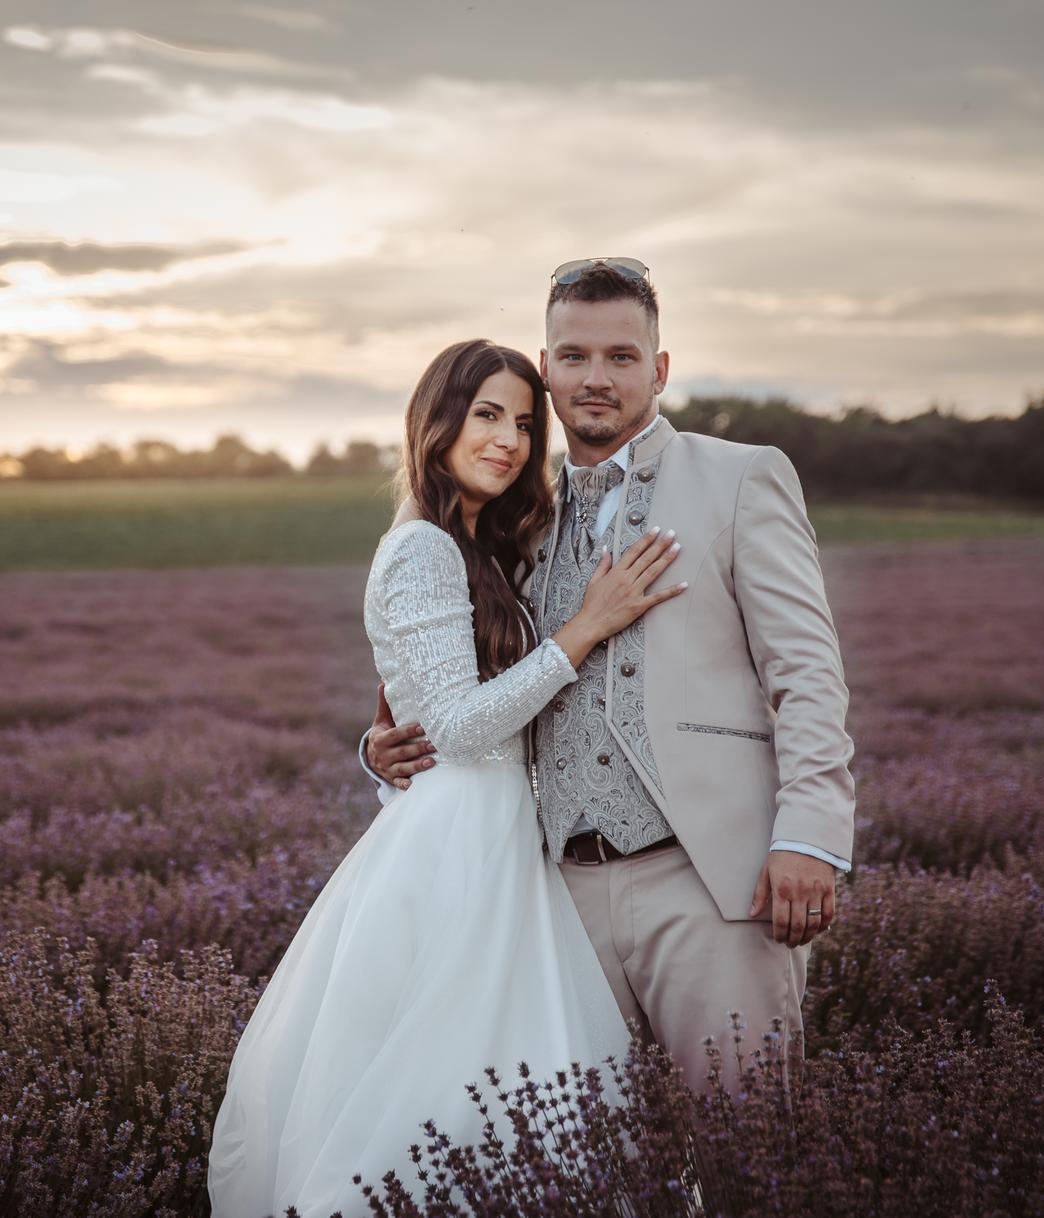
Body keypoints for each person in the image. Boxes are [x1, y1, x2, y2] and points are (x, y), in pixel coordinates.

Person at [208, 338, 686, 1217]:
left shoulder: (488, 544)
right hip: (462, 848)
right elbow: (463, 729)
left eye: (522, 421)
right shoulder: (424, 548)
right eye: (486, 415)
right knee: (451, 1083)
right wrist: (586, 629)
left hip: (497, 830)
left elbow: (429, 717)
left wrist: (378, 747)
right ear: (437, 424)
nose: (508, 439)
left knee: (505, 1081)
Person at [362, 258, 857, 1098]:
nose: (597, 378)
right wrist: (381, 747)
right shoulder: (517, 514)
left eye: (622, 357)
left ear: (658, 370)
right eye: (575, 356)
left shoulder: (740, 477)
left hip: (707, 882)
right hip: (550, 897)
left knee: (747, 1149)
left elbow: (807, 672)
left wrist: (808, 836)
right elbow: (452, 677)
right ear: (547, 368)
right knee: (584, 1163)